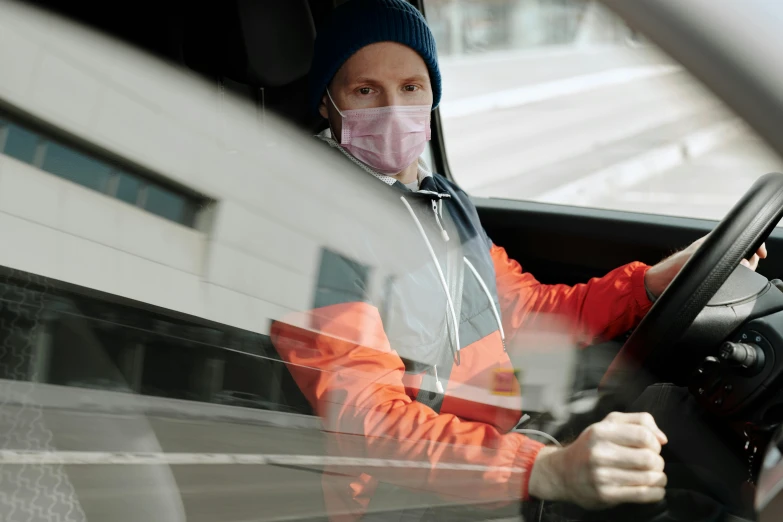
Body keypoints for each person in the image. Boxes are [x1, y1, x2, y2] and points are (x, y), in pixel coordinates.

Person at [270, 1, 767, 520]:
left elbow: (526, 311)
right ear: (328, 103)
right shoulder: (312, 226)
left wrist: (647, 285)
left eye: (411, 88)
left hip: (503, 440)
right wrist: (543, 470)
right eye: (366, 90)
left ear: (432, 94)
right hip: (411, 496)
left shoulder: (440, 202)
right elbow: (368, 424)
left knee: (677, 415)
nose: (394, 109)